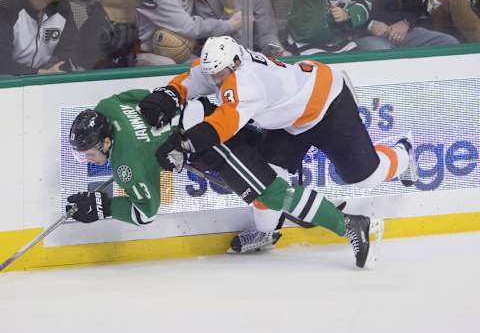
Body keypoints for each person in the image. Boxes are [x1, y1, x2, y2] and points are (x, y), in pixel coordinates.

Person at [138, 36, 424, 268]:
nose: (216, 80)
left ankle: (404, 151)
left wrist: (183, 144)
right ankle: (266, 233)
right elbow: (195, 77)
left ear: (235, 63)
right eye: (214, 73)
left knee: (366, 176)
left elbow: (221, 126)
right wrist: (171, 93)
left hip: (327, 106)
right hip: (289, 120)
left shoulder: (246, 82)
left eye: (220, 74)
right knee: (266, 182)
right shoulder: (225, 62)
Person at [67, 87, 381, 268]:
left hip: (210, 143)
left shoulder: (127, 165)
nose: (88, 158)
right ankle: (268, 232)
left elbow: (143, 212)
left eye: (91, 151)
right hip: (212, 111)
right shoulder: (109, 106)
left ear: (107, 141)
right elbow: (150, 99)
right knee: (268, 172)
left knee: (272, 192)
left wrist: (104, 207)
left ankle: (350, 224)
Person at [135, 0, 242, 65]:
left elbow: (208, 31)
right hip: (143, 53)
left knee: (204, 65)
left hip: (180, 52)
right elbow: (189, 27)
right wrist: (229, 25)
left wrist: (229, 9)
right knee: (168, 66)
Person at [0, 0, 81, 75]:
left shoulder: (65, 8)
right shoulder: (5, 9)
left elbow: (69, 53)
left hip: (45, 82)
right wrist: (43, 73)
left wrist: (61, 67)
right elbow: (2, 64)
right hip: (8, 83)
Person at [195, 0, 291, 56]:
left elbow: (266, 33)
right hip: (220, 60)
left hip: (252, 56)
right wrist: (229, 9)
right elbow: (213, 40)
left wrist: (274, 48)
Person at [357, 0, 460, 50]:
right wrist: (369, 25)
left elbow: (416, 6)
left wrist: (406, 22)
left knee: (448, 43)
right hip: (367, 35)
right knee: (387, 54)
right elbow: (343, 17)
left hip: (404, 31)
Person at [287, 0, 373, 54]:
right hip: (306, 42)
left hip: (341, 40)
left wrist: (349, 14)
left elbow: (365, 1)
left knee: (354, 70)